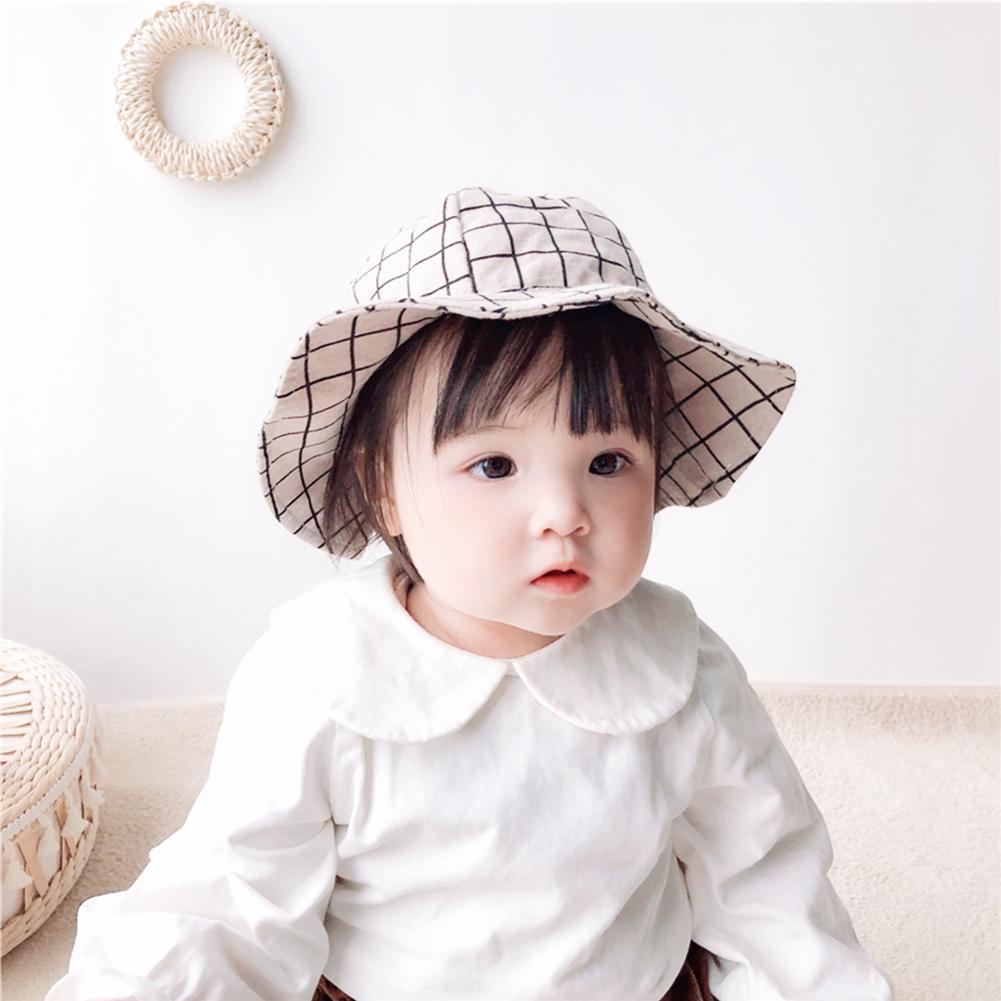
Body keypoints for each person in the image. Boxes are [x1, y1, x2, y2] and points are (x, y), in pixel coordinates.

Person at [45, 186, 895, 1001]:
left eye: (607, 462)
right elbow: (230, 900)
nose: (563, 513)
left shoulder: (681, 670)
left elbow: (765, 885)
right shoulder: (322, 677)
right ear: (384, 488)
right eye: (493, 465)